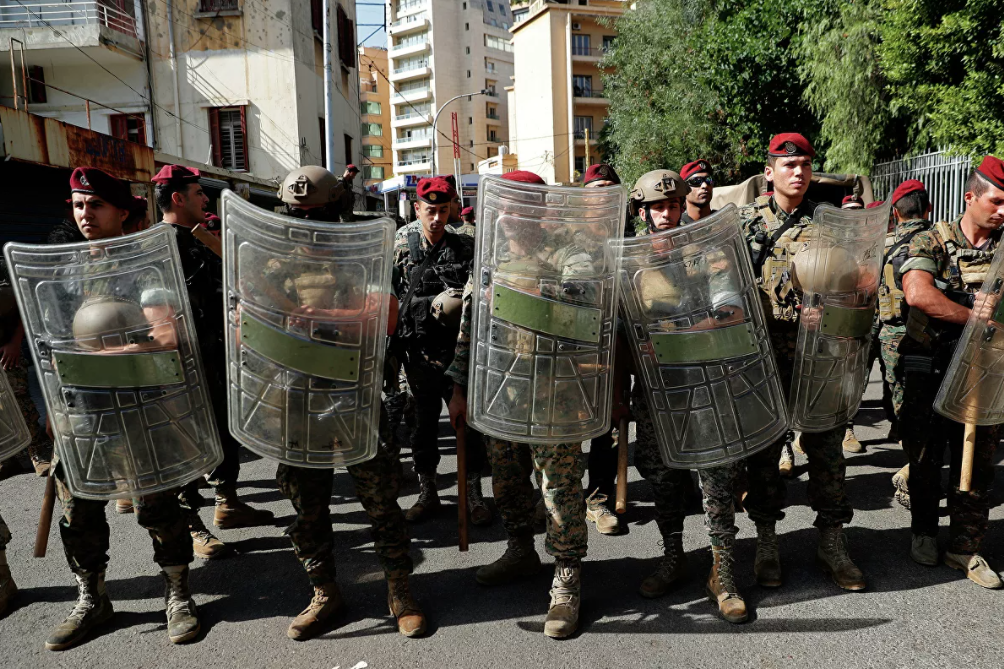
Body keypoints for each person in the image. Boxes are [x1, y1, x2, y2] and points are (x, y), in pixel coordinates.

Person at [252, 166, 425, 639]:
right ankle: (324, 592)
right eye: (297, 212)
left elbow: (384, 319)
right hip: (296, 401)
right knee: (307, 510)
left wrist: (318, 317)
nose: (305, 220)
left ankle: (400, 589)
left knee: (380, 503)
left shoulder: (364, 252)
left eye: (315, 211)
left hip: (355, 399)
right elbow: (251, 323)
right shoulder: (273, 262)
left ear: (336, 208)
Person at [447, 169, 608, 639]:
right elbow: (470, 330)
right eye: (509, 207)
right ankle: (520, 548)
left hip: (555, 391)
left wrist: (533, 288)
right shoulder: (489, 257)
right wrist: (458, 388)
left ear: (540, 208)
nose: (515, 216)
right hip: (499, 391)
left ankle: (567, 577)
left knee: (559, 489)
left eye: (525, 205)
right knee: (507, 479)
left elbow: (585, 302)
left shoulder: (570, 250)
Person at [44, 167, 201, 650]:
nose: (84, 215)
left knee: (158, 505)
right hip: (83, 408)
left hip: (137, 404)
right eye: (77, 206)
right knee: (79, 510)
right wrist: (55, 401)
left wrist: (104, 357)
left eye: (95, 205)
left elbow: (166, 336)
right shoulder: (60, 268)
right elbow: (48, 340)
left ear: (121, 212)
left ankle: (177, 593)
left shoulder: (143, 266)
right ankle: (92, 597)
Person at [739, 133, 866, 592]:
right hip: (765, 357)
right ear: (769, 171)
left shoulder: (831, 224)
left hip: (820, 357)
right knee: (764, 455)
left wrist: (830, 307)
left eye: (805, 164)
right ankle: (767, 540)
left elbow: (859, 287)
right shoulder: (742, 224)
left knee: (828, 451)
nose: (798, 171)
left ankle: (832, 541)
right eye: (788, 164)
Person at [153, 164, 274, 559]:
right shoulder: (155, 246)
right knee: (187, 442)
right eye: (198, 192)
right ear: (177, 197)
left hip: (218, 356)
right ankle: (191, 524)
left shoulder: (200, 239)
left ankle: (228, 501)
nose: (206, 198)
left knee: (224, 431)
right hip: (179, 365)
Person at [897, 155, 1004, 588]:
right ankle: (924, 531)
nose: (1003, 211)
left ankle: (965, 546)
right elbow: (917, 293)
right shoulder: (932, 240)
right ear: (971, 197)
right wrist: (972, 317)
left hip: (987, 370)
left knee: (978, 459)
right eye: (996, 201)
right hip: (932, 363)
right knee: (924, 454)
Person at [392, 177, 491, 526]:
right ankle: (428, 490)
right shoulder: (400, 244)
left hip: (457, 352)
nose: (436, 218)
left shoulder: (466, 245)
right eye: (429, 210)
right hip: (416, 355)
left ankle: (474, 493)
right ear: (416, 208)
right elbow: (387, 298)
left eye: (443, 210)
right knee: (422, 424)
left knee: (468, 424)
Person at [877, 180, 933, 509]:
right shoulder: (941, 240)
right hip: (938, 335)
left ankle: (914, 471)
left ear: (896, 214)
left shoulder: (884, 247)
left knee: (906, 406)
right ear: (928, 208)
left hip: (894, 337)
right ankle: (919, 470)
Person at [579, 162, 625, 536]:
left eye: (611, 188)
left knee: (607, 428)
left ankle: (598, 501)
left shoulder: (629, 238)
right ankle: (555, 501)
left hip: (613, 350)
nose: (604, 195)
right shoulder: (568, 238)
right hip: (574, 349)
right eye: (597, 189)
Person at [680, 160, 717, 225]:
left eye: (708, 180)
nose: (705, 185)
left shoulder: (724, 220)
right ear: (684, 189)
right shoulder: (676, 228)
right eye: (696, 181)